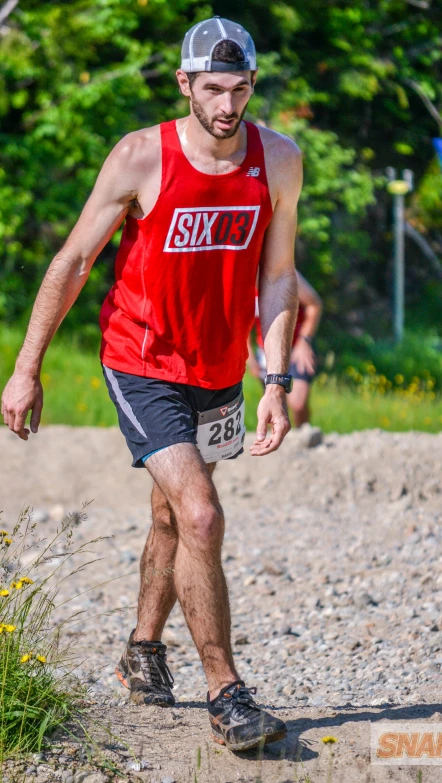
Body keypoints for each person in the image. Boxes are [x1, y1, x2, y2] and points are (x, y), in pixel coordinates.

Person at [1, 16, 302, 752]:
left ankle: (142, 648)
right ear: (184, 84)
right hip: (139, 358)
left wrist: (276, 375)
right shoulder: (142, 157)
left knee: (171, 516)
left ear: (253, 85)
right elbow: (74, 260)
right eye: (212, 90)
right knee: (201, 514)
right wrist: (27, 365)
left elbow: (277, 275)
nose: (227, 106)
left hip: (217, 365)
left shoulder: (280, 159)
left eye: (239, 89)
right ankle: (227, 692)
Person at [247, 270, 322, 426]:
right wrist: (250, 357)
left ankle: (305, 435)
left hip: (296, 348)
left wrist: (304, 341)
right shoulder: (243, 285)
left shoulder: (283, 273)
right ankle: (276, 447)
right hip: (267, 352)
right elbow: (241, 324)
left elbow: (314, 304)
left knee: (298, 403)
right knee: (272, 407)